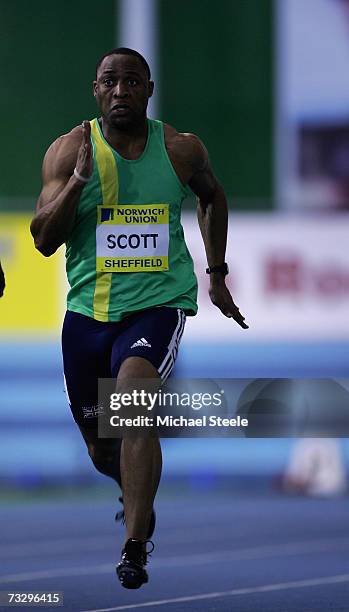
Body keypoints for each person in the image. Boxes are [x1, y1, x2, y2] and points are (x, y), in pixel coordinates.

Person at [30, 47, 248, 589]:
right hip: (87, 313)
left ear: (149, 91)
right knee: (102, 447)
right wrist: (78, 184)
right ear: (96, 90)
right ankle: (135, 498)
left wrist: (216, 272)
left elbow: (212, 196)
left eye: (132, 82)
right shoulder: (67, 152)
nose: (121, 91)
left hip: (156, 306)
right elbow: (41, 241)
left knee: (133, 405)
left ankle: (133, 544)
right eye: (111, 82)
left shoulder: (180, 149)